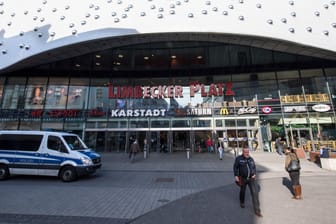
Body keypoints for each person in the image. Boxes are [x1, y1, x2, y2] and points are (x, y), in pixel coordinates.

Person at [233, 148, 262, 217]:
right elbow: (235, 167)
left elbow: (254, 167)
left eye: (248, 152)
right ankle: (242, 202)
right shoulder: (239, 159)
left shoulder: (251, 159)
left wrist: (254, 173)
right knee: (242, 191)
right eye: (245, 152)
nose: (247, 153)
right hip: (242, 178)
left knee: (255, 194)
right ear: (243, 152)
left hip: (251, 179)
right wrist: (236, 175)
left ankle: (257, 210)